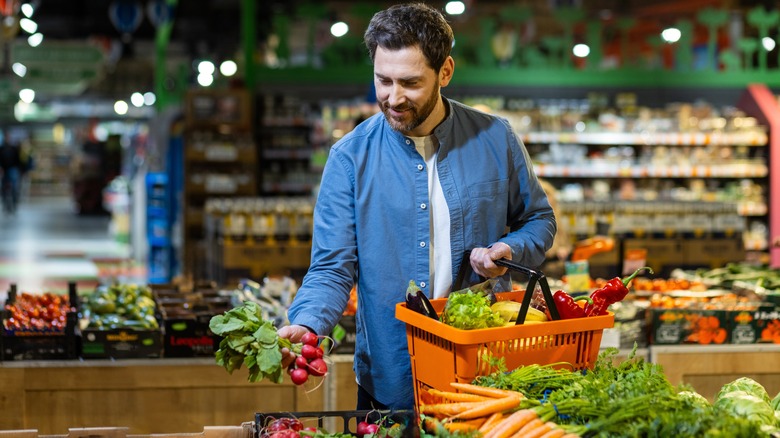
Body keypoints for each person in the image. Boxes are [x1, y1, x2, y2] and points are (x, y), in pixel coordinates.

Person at [278, 2, 556, 410]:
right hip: (390, 380)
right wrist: (306, 323)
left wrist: (509, 250)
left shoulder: (496, 139)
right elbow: (332, 266)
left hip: (485, 375)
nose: (393, 97)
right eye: (383, 80)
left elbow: (538, 219)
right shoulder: (349, 158)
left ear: (445, 72)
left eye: (409, 82)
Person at [0, 132, 22, 215]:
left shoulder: (13, 148)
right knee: (4, 188)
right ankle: (6, 205)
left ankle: (14, 204)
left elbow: (18, 160)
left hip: (13, 169)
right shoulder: (1, 148)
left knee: (13, 188)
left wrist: (19, 169)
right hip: (4, 170)